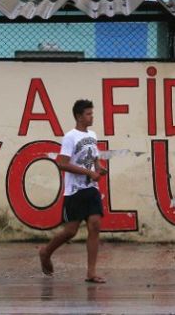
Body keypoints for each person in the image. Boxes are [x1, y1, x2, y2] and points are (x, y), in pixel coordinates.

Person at [38, 99, 108, 283]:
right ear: (78, 116)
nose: (92, 117)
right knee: (70, 231)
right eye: (88, 114)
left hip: (91, 189)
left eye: (92, 113)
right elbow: (61, 163)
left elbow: (94, 157)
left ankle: (91, 272)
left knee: (95, 224)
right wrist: (88, 172)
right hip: (74, 192)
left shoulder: (92, 135)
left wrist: (98, 168)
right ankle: (45, 252)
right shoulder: (70, 137)